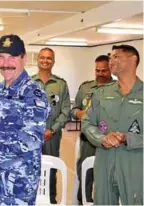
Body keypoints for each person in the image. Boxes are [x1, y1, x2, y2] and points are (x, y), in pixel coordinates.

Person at [0, 34, 51, 205]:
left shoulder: (33, 94)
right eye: (0, 57)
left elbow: (31, 141)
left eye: (12, 57)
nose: (5, 63)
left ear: (24, 58)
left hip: (19, 185)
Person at [82, 44, 143, 205]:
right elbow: (87, 122)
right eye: (110, 57)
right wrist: (101, 138)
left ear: (133, 60)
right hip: (105, 161)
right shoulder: (101, 93)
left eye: (116, 57)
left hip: (135, 164)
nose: (111, 61)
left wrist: (128, 138)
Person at [71, 54, 113, 204]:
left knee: (106, 176)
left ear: (111, 70)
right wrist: (78, 113)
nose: (100, 74)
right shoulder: (86, 87)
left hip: (108, 141)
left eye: (104, 71)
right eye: (98, 70)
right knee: (85, 173)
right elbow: (74, 109)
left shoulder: (117, 89)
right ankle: (83, 200)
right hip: (88, 140)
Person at [31, 47, 71, 204]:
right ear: (37, 60)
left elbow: (66, 110)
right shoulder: (28, 82)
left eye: (48, 58)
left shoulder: (61, 85)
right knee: (32, 168)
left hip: (52, 136)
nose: (45, 61)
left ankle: (51, 199)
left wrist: (52, 129)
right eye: (42, 58)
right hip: (32, 136)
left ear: (53, 61)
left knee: (51, 167)